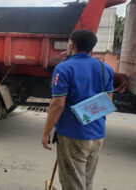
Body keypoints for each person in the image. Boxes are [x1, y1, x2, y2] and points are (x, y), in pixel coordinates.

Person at [42, 30, 114, 190]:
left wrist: (46, 132)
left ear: (72, 45)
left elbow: (57, 105)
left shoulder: (64, 68)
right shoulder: (106, 69)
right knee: (86, 182)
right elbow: (108, 101)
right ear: (92, 49)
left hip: (73, 136)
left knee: (73, 184)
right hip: (97, 135)